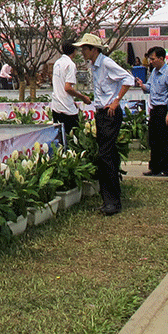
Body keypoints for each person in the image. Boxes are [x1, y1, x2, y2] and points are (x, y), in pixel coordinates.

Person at [66, 33, 133, 216]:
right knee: (106, 155)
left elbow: (128, 79)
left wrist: (116, 100)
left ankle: (112, 201)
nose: (82, 52)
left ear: (94, 49)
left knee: (106, 155)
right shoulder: (95, 66)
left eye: (85, 49)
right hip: (102, 113)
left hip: (110, 112)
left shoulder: (106, 63)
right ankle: (109, 199)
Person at [135, 46, 168, 177]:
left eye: (153, 59)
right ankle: (154, 167)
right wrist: (143, 85)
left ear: (161, 58)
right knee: (153, 139)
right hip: (154, 109)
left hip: (164, 109)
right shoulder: (154, 72)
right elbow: (150, 87)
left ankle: (167, 168)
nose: (151, 61)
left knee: (165, 140)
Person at [50, 39, 83, 142]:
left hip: (56, 106)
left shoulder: (57, 63)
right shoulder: (71, 65)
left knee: (60, 140)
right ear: (74, 51)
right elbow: (68, 88)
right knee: (73, 139)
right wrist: (83, 97)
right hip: (67, 109)